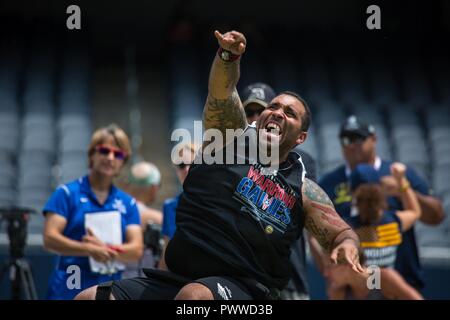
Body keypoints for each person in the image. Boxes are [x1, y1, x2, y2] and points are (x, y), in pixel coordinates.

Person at [75, 30, 363, 301]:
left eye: (289, 113)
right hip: (175, 278)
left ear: (301, 137)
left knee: (194, 298)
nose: (276, 113)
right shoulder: (227, 141)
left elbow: (340, 232)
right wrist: (228, 57)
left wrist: (347, 245)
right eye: (273, 107)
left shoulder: (301, 188)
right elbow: (223, 92)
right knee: (89, 297)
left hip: (247, 290)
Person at [319, 115, 444, 290]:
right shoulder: (330, 183)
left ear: (374, 139)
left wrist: (404, 189)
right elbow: (317, 233)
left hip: (402, 279)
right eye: (346, 139)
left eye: (359, 138)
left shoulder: (396, 174)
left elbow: (437, 216)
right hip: (356, 286)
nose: (352, 145)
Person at [43, 124, 143, 299]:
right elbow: (50, 238)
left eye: (118, 154)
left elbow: (136, 249)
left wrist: (103, 248)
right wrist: (88, 249)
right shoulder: (66, 193)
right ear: (92, 154)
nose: (110, 157)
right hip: (67, 289)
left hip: (106, 292)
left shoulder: (128, 203)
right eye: (104, 151)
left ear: (123, 161)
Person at [241, 82, 318, 299]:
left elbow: (306, 212)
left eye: (262, 109)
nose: (256, 117)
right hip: (240, 279)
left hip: (288, 277)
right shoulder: (232, 156)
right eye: (249, 112)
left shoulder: (301, 163)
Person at [348, 162, 421, 268]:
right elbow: (415, 211)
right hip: (387, 284)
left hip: (360, 284)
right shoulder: (393, 222)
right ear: (380, 190)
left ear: (353, 194)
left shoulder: (348, 228)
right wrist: (401, 181)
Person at [324, 249, 423, 300]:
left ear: (348, 264)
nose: (326, 273)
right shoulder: (337, 291)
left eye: (330, 266)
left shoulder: (382, 278)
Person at [158, 142, 197, 270]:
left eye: (192, 163)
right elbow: (166, 251)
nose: (186, 169)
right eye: (181, 165)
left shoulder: (216, 201)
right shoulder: (169, 206)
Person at [122, 161, 163, 278]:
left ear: (127, 184)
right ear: (154, 187)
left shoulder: (112, 211)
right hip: (141, 287)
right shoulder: (158, 218)